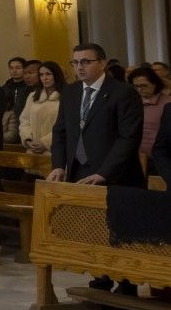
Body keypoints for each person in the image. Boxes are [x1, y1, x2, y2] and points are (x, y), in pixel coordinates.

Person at [48, 43, 146, 297]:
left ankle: (126, 287)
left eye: (85, 61)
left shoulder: (123, 93)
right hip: (81, 170)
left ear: (101, 63)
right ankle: (100, 279)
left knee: (120, 232)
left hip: (117, 175)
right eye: (75, 62)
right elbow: (60, 132)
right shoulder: (70, 93)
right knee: (92, 230)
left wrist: (105, 173)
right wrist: (59, 165)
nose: (79, 67)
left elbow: (128, 138)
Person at [128, 66, 167, 177]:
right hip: (135, 159)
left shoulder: (167, 103)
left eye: (144, 86)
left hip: (158, 160)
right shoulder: (130, 102)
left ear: (155, 84)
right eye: (136, 86)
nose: (139, 89)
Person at [18, 61, 64, 155]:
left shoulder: (66, 96)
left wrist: (45, 143)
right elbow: (24, 121)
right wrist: (28, 140)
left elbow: (65, 125)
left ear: (56, 75)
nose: (44, 78)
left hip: (56, 150)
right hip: (33, 149)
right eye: (41, 75)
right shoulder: (33, 96)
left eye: (48, 74)